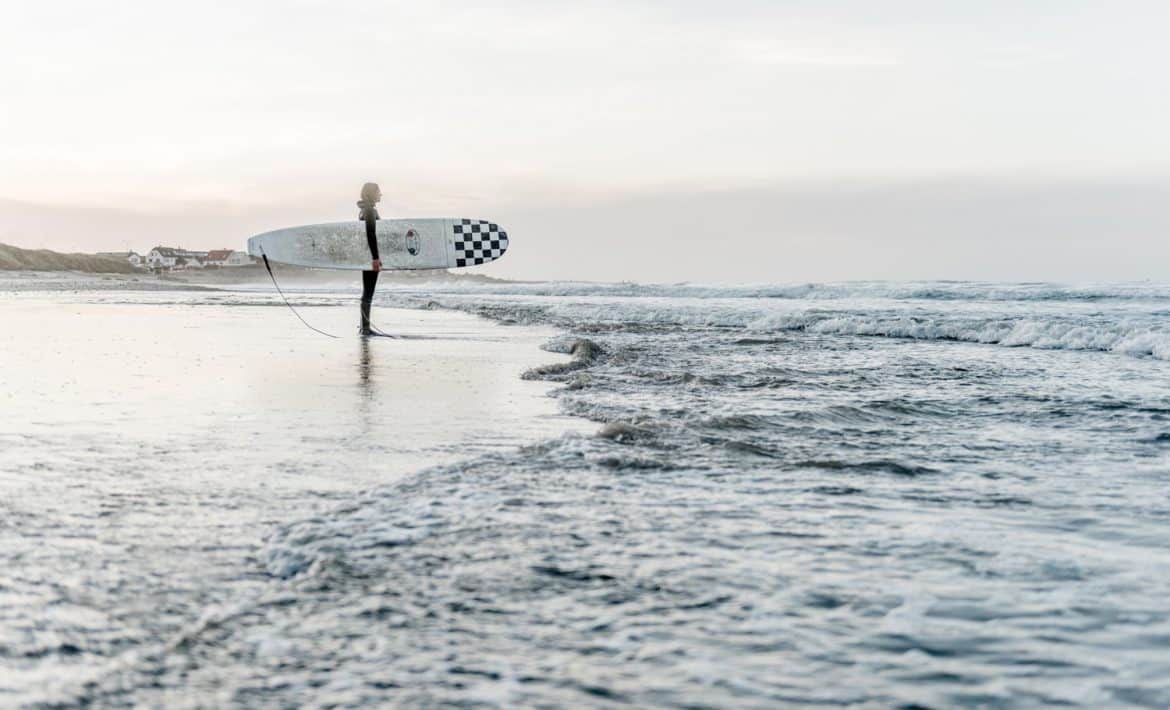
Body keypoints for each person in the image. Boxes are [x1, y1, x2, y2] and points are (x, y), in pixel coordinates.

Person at [356, 182, 382, 335]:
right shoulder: (370, 211)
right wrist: (375, 258)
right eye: (379, 191)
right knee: (368, 292)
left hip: (366, 256)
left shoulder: (363, 210)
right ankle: (365, 328)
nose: (381, 194)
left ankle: (364, 327)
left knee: (367, 292)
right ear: (372, 193)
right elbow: (370, 234)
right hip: (370, 257)